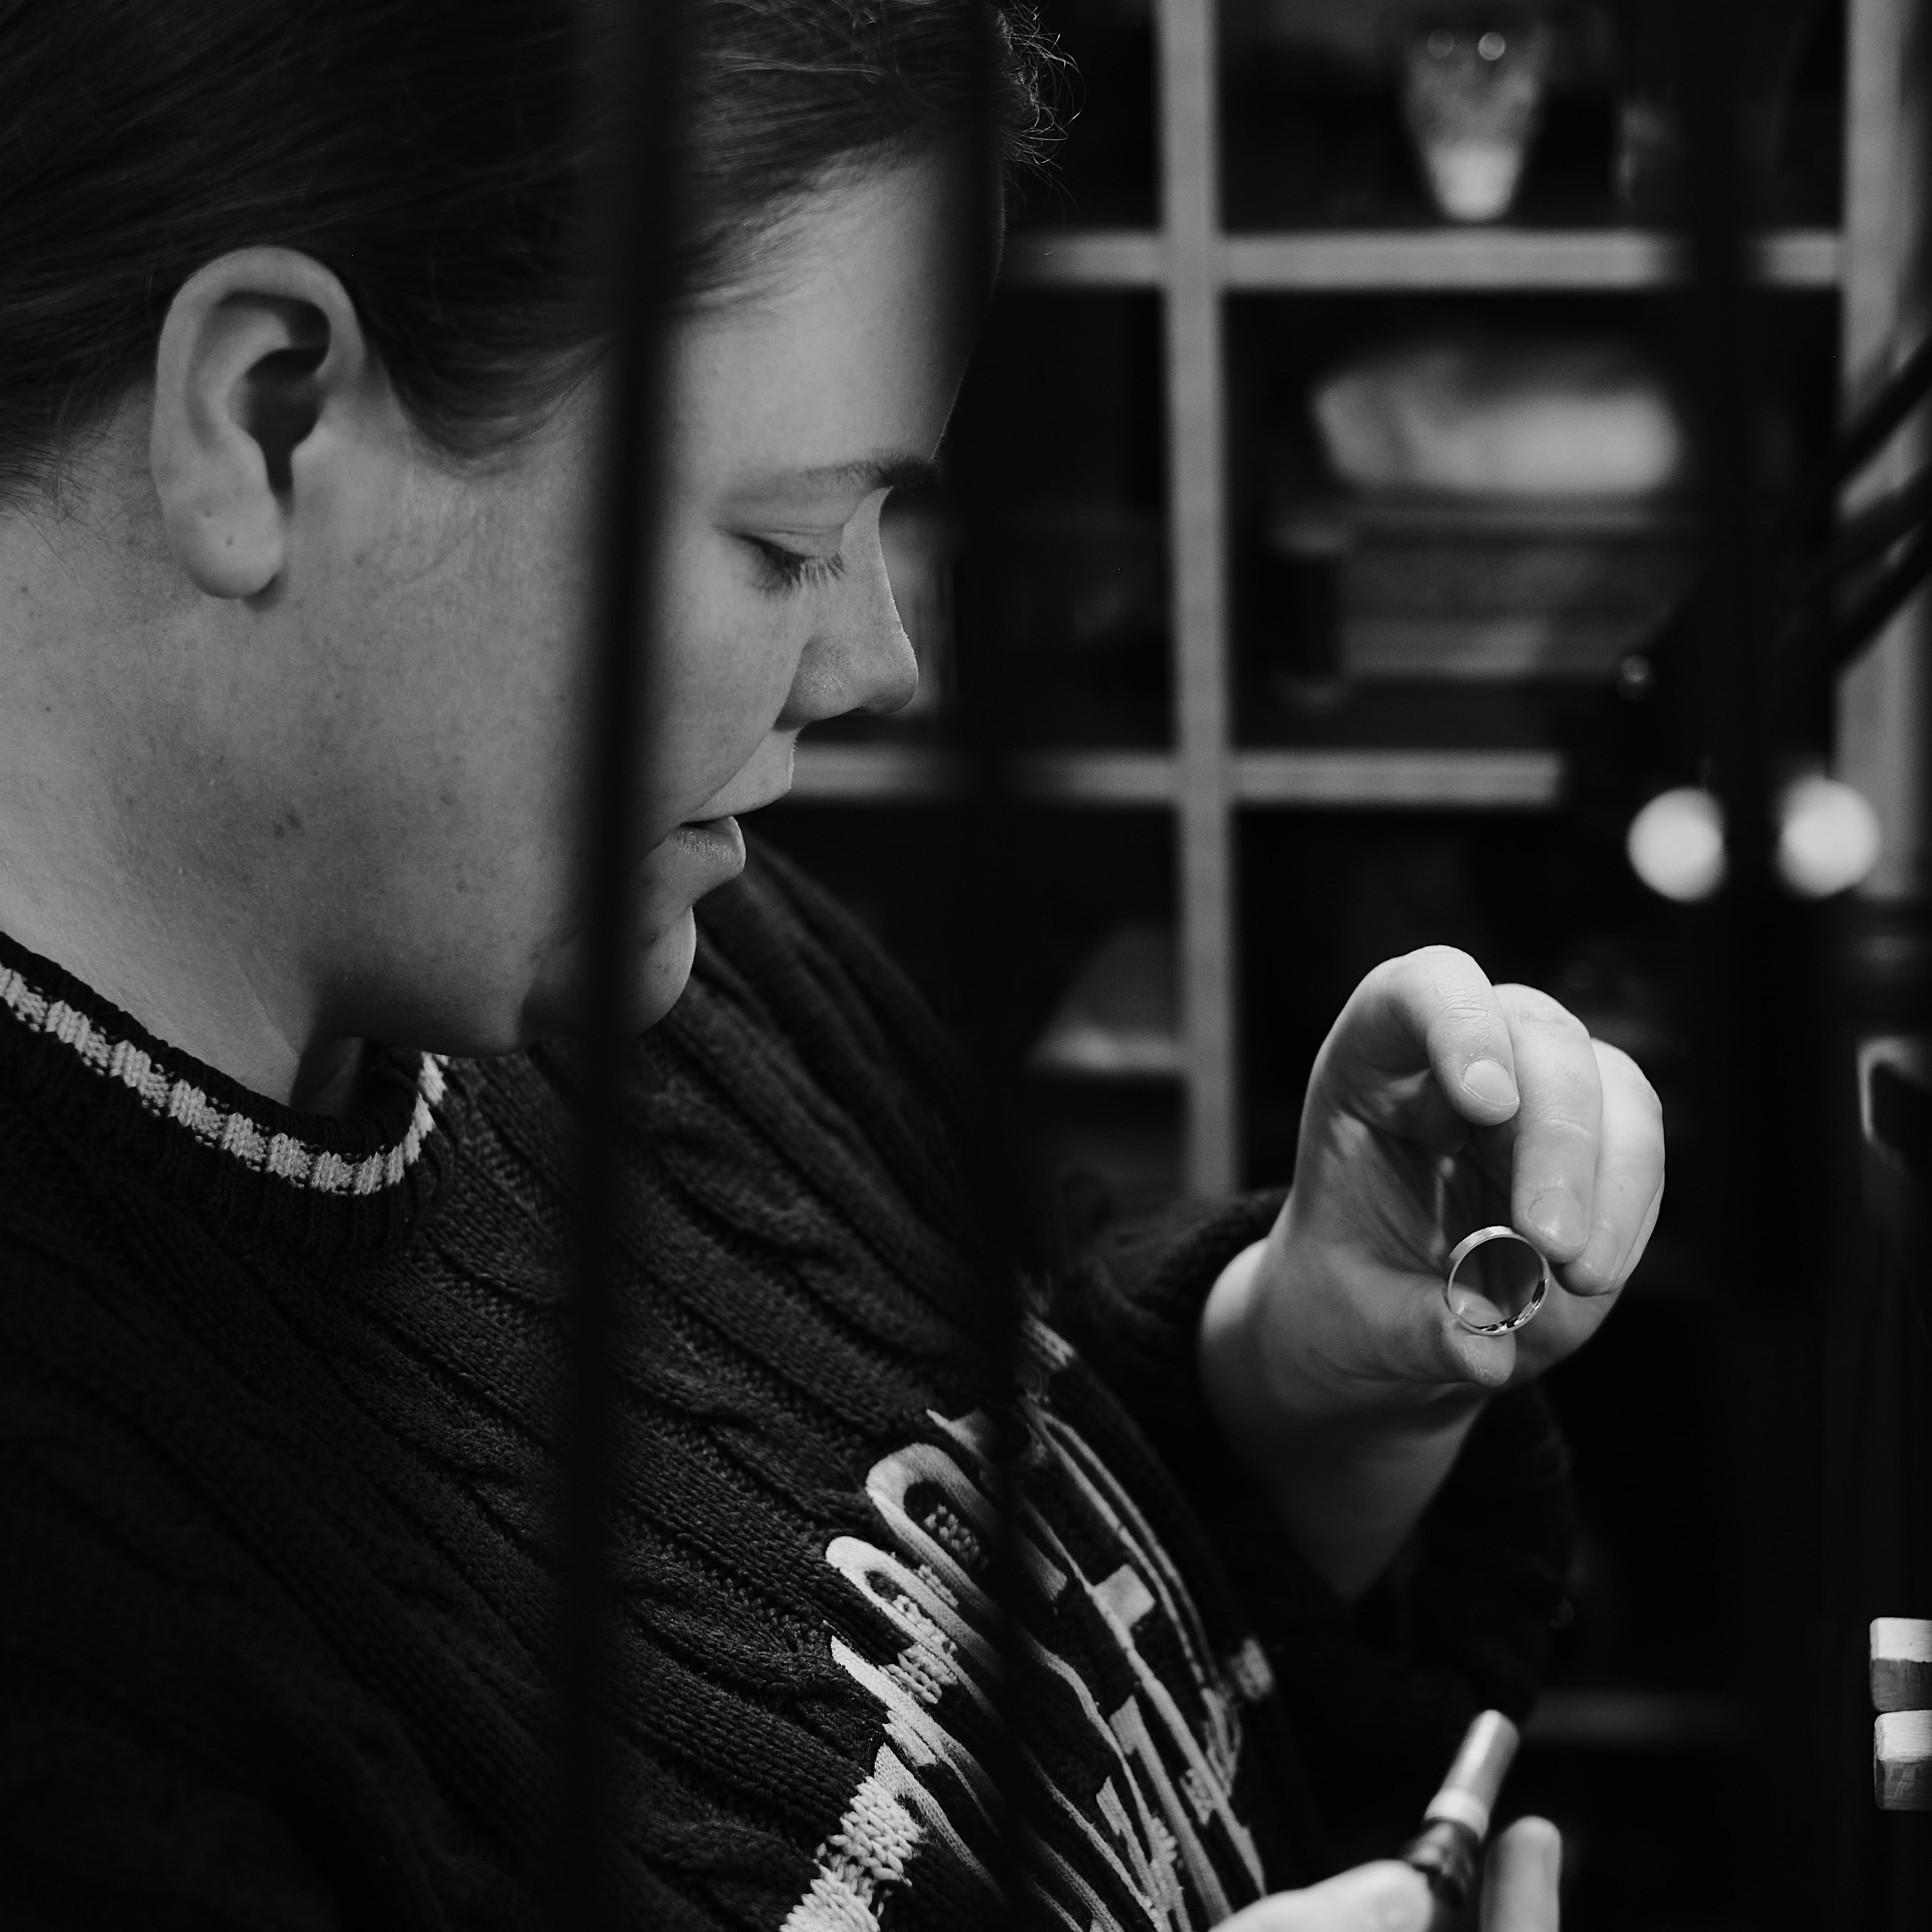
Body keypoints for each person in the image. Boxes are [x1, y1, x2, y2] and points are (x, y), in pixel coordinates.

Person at [0, 1, 1662, 1925]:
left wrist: (1306, 1381)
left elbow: (996, 1540)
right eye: (788, 543)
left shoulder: (623, 929)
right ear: (270, 413)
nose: (883, 661)